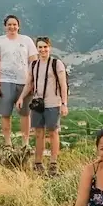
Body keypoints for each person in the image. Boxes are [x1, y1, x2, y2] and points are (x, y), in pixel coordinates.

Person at [16, 37, 69, 175]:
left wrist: (64, 103)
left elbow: (63, 85)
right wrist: (21, 97)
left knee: (53, 132)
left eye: (45, 47)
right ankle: (38, 163)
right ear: (37, 48)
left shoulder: (56, 64)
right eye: (40, 47)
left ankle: (53, 163)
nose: (42, 50)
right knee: (38, 133)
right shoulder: (34, 65)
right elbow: (29, 84)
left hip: (53, 102)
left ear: (49, 47)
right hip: (38, 103)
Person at [0, 15, 38, 147]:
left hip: (24, 82)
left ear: (18, 26)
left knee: (25, 113)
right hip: (5, 80)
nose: (12, 27)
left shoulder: (26, 40)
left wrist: (33, 82)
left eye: (14, 24)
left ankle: (25, 143)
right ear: (5, 26)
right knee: (5, 113)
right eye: (9, 24)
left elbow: (34, 63)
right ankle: (7, 143)